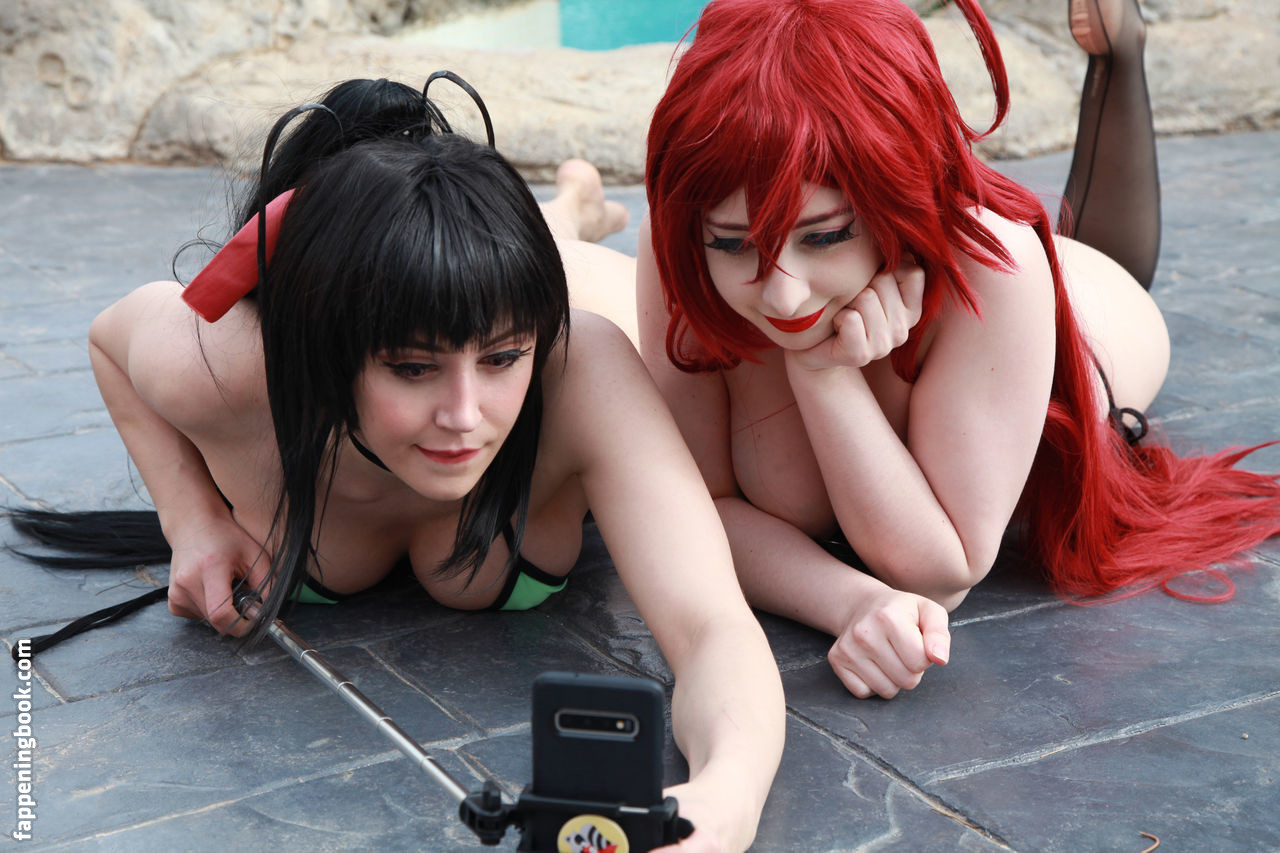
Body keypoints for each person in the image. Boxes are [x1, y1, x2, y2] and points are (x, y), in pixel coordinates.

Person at [10, 78, 783, 851]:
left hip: (576, 286)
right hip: (407, 289)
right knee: (464, 298)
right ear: (329, 351)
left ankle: (571, 210)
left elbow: (712, 624)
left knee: (541, 264)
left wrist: (730, 792)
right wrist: (193, 519)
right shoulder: (224, 365)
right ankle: (563, 212)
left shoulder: (582, 368)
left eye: (502, 360)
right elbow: (110, 337)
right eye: (412, 368)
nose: (465, 415)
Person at [637, 0, 1280, 701]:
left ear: (893, 197)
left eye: (823, 236)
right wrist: (849, 601)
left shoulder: (998, 271)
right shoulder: (682, 243)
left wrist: (824, 375)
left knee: (1101, 254)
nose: (784, 297)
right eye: (734, 244)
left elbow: (941, 573)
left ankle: (1119, 63)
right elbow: (691, 508)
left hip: (1093, 319)